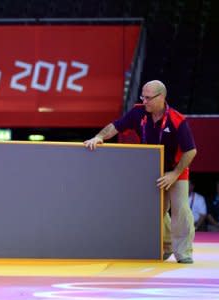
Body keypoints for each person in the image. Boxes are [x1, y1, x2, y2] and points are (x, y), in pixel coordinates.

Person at [84, 80, 197, 264]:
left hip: (176, 171)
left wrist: (175, 174)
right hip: (151, 171)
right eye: (142, 96)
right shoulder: (138, 112)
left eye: (148, 97)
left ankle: (183, 252)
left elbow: (191, 151)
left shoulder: (177, 120)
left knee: (181, 210)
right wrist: (99, 137)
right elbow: (116, 126)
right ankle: (166, 246)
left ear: (161, 97)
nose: (144, 101)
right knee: (156, 212)